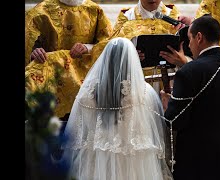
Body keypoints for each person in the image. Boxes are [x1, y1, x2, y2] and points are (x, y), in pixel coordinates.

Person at [61, 37, 173, 180]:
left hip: (96, 161)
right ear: (131, 61)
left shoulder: (87, 93)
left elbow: (78, 132)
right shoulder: (144, 92)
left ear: (105, 59)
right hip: (133, 161)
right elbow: (151, 128)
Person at [161, 15, 220, 180]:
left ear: (199, 37)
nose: (189, 45)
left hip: (202, 161)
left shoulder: (188, 72)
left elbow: (175, 121)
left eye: (189, 39)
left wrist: (167, 105)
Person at [25, 0, 113, 119]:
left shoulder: (95, 10)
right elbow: (29, 43)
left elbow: (107, 44)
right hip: (51, 79)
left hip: (85, 80)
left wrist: (87, 47)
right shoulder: (41, 11)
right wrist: (34, 52)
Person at [90, 0, 182, 94]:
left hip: (170, 78)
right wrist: (129, 55)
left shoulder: (173, 15)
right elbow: (113, 48)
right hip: (137, 78)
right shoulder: (127, 16)